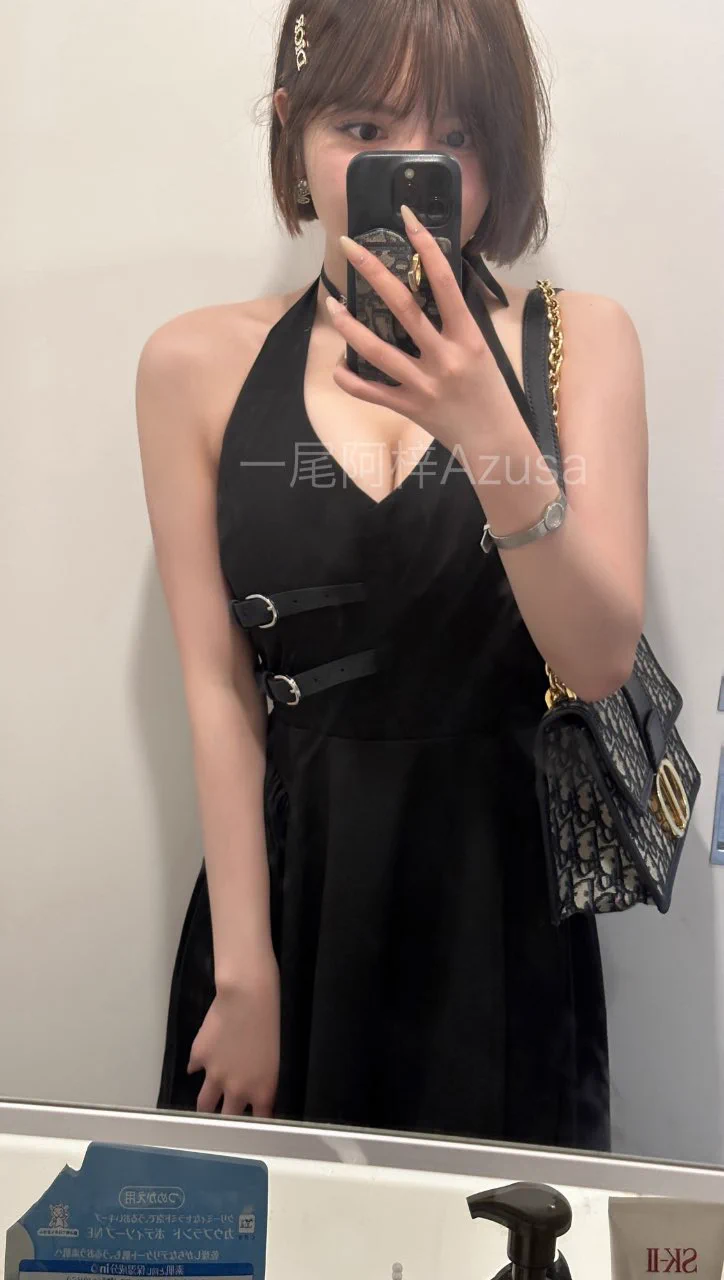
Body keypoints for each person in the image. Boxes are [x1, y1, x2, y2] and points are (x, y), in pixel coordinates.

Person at [136, 0, 648, 1150]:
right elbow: (217, 686)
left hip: (499, 908)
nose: (414, 170)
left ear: (501, 153)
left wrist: (485, 424)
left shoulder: (581, 342)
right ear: (293, 132)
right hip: (290, 898)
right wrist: (244, 970)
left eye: (455, 137)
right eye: (363, 128)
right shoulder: (194, 365)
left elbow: (596, 659)